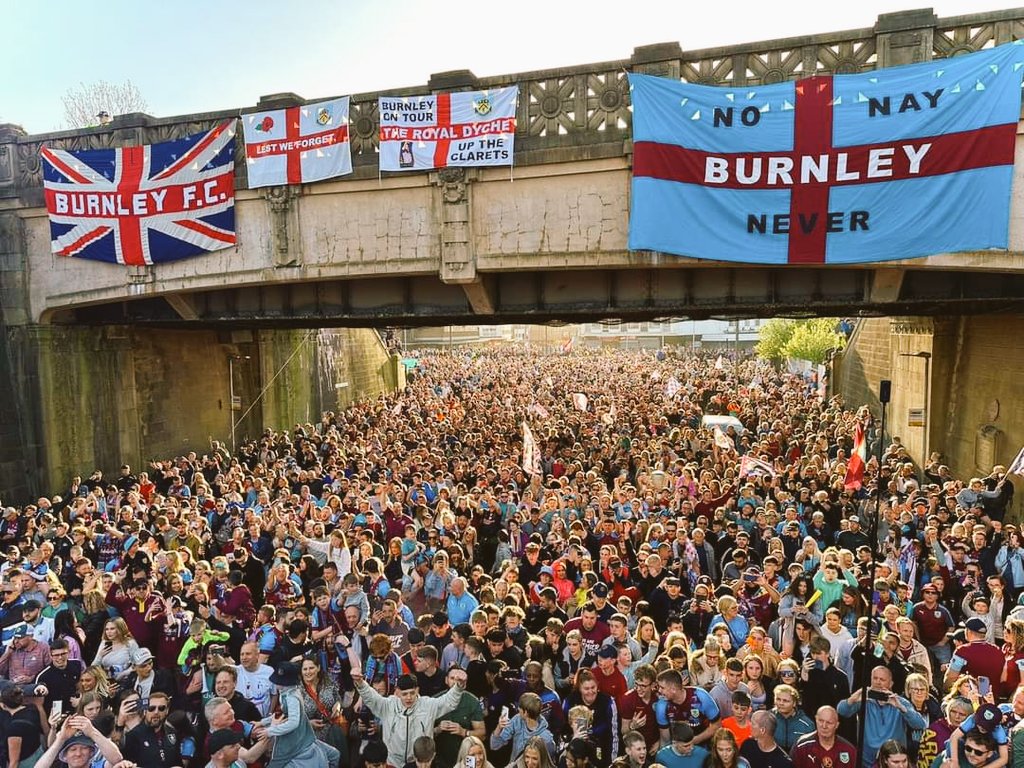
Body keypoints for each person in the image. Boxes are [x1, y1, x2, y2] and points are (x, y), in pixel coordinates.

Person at [351, 664, 465, 768]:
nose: (409, 697)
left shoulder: (428, 705)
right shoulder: (388, 705)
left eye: (412, 693)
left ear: (417, 690)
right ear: (397, 692)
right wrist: (360, 683)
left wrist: (459, 687)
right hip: (393, 763)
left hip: (419, 763)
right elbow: (371, 698)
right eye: (404, 694)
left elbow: (448, 702)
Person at [837, 666, 927, 768]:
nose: (878, 682)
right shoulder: (863, 701)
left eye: (882, 679)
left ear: (891, 683)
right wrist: (853, 698)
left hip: (894, 762)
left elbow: (920, 724)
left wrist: (901, 707)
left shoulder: (900, 701)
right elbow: (841, 711)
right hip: (867, 763)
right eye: (875, 678)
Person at [258, 661, 340, 768]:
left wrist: (270, 731)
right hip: (303, 735)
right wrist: (262, 722)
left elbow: (293, 723)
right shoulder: (285, 693)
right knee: (334, 755)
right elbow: (281, 714)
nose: (275, 683)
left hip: (297, 739)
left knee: (276, 764)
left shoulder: (292, 698)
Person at [433, 666, 486, 768]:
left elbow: (482, 734)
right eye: (452, 678)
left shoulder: (472, 702)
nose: (455, 682)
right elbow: (423, 733)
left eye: (459, 680)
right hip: (438, 759)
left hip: (466, 759)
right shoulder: (435, 700)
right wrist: (438, 729)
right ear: (446, 680)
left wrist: (464, 732)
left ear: (465, 684)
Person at [489, 692, 556, 764]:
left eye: (520, 708)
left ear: (525, 713)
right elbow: (494, 745)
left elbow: (549, 763)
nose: (518, 709)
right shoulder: (517, 720)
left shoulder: (546, 739)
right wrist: (499, 728)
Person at [121, 690, 181, 768]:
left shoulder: (172, 733)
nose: (156, 712)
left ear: (167, 711)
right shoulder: (133, 736)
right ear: (145, 710)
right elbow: (128, 764)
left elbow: (178, 763)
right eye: (151, 708)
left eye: (161, 708)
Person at [790, 707, 857, 768]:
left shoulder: (849, 750)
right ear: (816, 720)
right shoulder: (801, 746)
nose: (824, 726)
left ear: (837, 725)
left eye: (829, 722)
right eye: (821, 721)